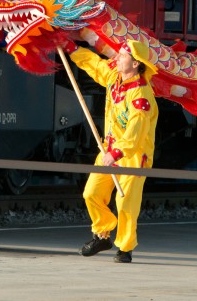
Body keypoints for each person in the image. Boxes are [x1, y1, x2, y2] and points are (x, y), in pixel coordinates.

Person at [60, 38, 158, 264]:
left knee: (127, 203)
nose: (117, 58)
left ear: (135, 64)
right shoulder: (114, 78)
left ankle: (125, 248)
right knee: (91, 193)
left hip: (134, 155)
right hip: (110, 149)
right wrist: (72, 49)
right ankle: (102, 234)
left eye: (123, 56)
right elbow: (95, 65)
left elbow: (136, 131)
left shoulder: (142, 95)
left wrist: (116, 153)